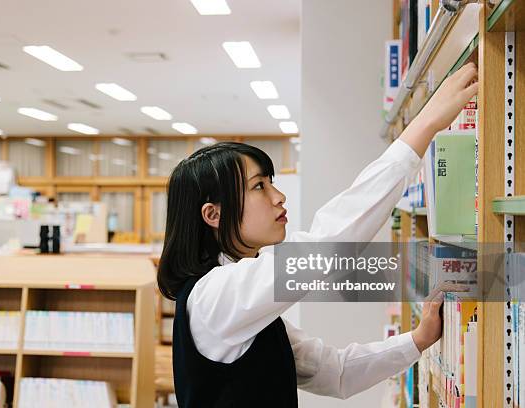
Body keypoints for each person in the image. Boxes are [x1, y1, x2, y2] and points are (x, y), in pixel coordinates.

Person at [157, 62, 479, 407]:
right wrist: (425, 126)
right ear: (213, 215)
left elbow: (333, 371)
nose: (278, 197)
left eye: (272, 183)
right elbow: (324, 248)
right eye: (259, 187)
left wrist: (417, 340)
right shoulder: (214, 297)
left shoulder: (238, 304)